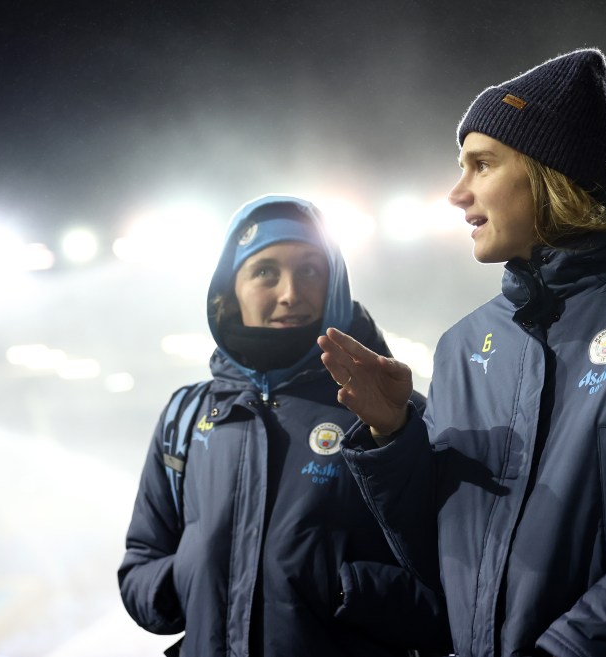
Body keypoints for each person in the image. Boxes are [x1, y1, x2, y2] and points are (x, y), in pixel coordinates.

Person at [318, 49, 606, 657]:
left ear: (550, 173)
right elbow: (446, 557)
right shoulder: (464, 346)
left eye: (482, 165)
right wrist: (394, 438)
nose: (458, 194)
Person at [119, 194, 450, 656]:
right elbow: (139, 565)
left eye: (310, 270)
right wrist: (199, 576)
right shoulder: (188, 415)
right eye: (265, 272)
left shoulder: (389, 413)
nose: (290, 293)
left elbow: (451, 594)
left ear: (333, 284)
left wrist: (338, 587)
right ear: (228, 290)